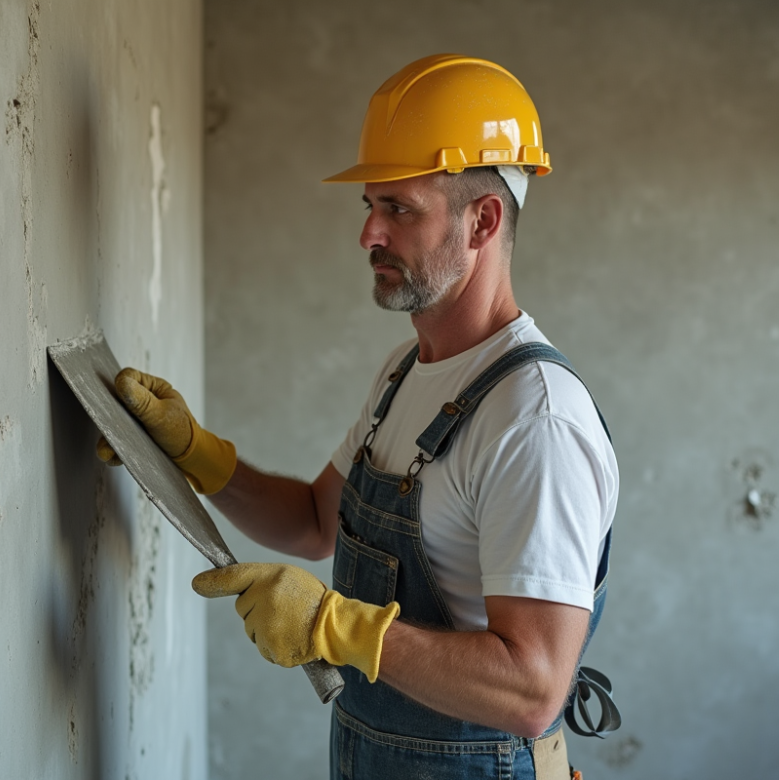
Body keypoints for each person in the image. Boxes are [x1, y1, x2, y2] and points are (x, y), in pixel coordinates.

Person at [99, 54, 619, 780]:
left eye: (399, 209)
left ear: (483, 221)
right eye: (370, 206)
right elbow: (317, 521)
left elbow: (533, 689)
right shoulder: (406, 372)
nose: (369, 233)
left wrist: (333, 625)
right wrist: (196, 455)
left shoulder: (534, 421)